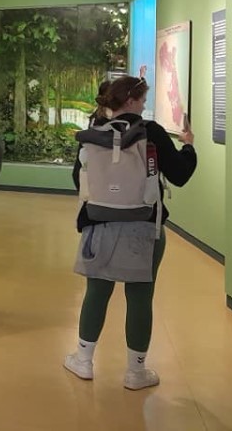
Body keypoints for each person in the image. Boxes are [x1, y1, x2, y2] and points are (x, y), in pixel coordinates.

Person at [64, 75, 196, 390]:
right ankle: (136, 372)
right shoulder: (152, 132)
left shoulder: (95, 133)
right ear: (132, 101)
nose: (144, 105)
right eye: (143, 100)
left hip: (99, 224)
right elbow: (180, 174)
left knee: (97, 292)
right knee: (140, 296)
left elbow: (79, 178)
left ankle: (83, 360)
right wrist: (189, 146)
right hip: (145, 227)